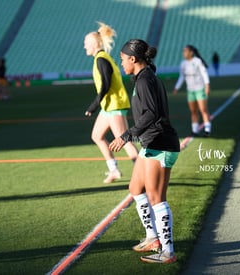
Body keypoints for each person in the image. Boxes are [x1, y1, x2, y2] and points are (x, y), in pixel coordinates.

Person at [110, 39, 180, 264]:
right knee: (135, 188)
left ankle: (167, 252)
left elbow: (151, 114)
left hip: (160, 143)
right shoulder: (144, 77)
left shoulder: (145, 80)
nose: (121, 63)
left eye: (122, 59)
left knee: (157, 198)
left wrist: (127, 135)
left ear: (133, 59)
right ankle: (152, 238)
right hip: (152, 143)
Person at [83, 22, 138, 183]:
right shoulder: (100, 58)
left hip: (115, 105)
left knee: (124, 139)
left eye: (86, 44)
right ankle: (113, 170)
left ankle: (143, 172)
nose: (84, 46)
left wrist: (93, 106)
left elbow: (106, 85)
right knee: (97, 136)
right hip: (109, 105)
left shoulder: (101, 59)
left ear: (94, 44)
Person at [173, 45, 211, 137]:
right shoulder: (183, 64)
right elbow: (182, 76)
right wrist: (177, 87)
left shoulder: (198, 61)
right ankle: (195, 130)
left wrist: (207, 86)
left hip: (200, 89)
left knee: (203, 109)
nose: (184, 53)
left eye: (185, 51)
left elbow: (204, 73)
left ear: (191, 52)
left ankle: (207, 129)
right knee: (193, 111)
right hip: (190, 90)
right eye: (183, 51)